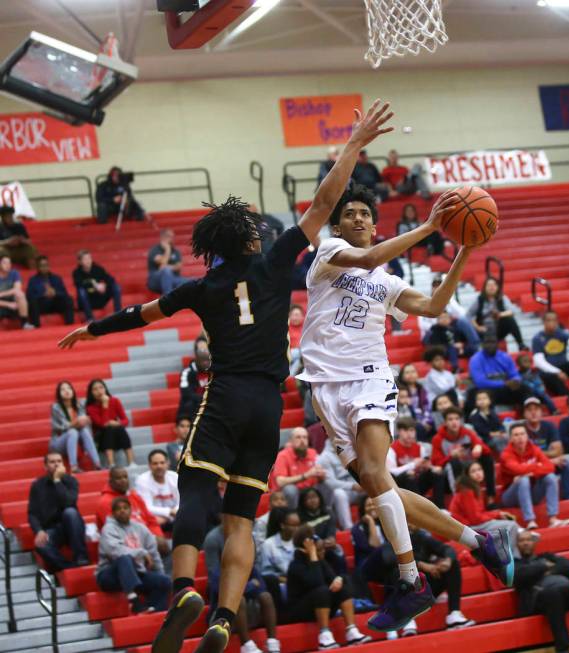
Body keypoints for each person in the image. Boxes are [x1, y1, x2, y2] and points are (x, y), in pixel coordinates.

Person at [58, 99, 397, 653]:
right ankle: (223, 617)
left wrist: (90, 331)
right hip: (269, 404)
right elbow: (325, 201)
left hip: (226, 395)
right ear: (245, 239)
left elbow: (136, 316)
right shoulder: (276, 261)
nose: (263, 232)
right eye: (256, 229)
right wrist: (355, 145)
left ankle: (185, 590)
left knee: (195, 488)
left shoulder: (200, 288)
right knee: (241, 517)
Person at [296, 180, 514, 633]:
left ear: (375, 225)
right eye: (350, 213)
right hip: (325, 389)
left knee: (377, 478)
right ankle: (481, 539)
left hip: (370, 378)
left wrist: (466, 249)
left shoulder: (388, 283)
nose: (358, 219)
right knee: (381, 491)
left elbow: (434, 305)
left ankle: (412, 582)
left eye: (365, 214)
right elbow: (369, 258)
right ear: (338, 224)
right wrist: (432, 225)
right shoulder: (329, 252)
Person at [286, 525, 371, 648]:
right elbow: (316, 582)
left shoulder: (320, 561)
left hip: (322, 604)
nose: (322, 552)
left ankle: (351, 631)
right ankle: (324, 636)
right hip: (300, 610)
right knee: (322, 591)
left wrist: (338, 580)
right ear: (307, 547)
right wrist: (313, 555)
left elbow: (333, 578)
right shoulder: (296, 565)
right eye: (318, 549)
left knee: (342, 585)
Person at [204, 522, 281, 653]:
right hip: (222, 615)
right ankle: (246, 645)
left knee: (266, 596)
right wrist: (250, 585)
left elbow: (261, 584)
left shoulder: (247, 551)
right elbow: (220, 586)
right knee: (239, 600)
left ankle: (272, 642)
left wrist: (246, 586)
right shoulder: (214, 549)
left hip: (248, 611)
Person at [97, 497, 170, 613]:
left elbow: (153, 552)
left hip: (135, 574)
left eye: (125, 508)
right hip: (109, 576)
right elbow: (114, 551)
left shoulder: (140, 528)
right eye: (118, 509)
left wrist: (159, 574)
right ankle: (133, 600)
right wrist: (141, 552)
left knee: (164, 581)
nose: (122, 511)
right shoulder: (108, 529)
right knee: (125, 558)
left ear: (131, 510)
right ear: (113, 513)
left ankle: (153, 611)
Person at [514, 530, 569, 653]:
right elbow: (520, 576)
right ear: (517, 544)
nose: (525, 543)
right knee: (553, 593)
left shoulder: (547, 556)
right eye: (521, 540)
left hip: (567, 591)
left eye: (528, 540)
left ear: (534, 542)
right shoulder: (516, 564)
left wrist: (546, 571)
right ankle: (563, 649)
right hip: (541, 597)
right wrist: (545, 566)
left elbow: (568, 566)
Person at [500, 423, 569, 530]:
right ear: (511, 439)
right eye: (516, 435)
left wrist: (531, 471)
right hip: (510, 496)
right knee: (523, 480)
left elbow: (550, 467)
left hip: (531, 492)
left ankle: (553, 519)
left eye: (522, 434)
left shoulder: (534, 448)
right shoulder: (506, 454)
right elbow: (518, 469)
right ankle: (530, 521)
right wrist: (537, 466)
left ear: (527, 436)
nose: (520, 437)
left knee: (550, 477)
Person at [28, 451, 89, 571]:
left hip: (72, 526)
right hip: (52, 529)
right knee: (42, 545)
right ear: (45, 466)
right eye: (52, 462)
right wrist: (39, 531)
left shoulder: (71, 481)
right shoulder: (37, 485)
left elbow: (68, 503)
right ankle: (68, 568)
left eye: (59, 461)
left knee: (70, 512)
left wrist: (57, 481)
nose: (56, 464)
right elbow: (32, 513)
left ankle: (81, 558)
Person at [96, 466, 170, 557]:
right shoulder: (105, 502)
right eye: (119, 478)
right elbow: (117, 531)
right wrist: (149, 541)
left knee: (169, 544)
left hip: (144, 537)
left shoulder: (134, 495)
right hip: (123, 545)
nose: (123, 480)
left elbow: (151, 521)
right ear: (111, 481)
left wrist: (158, 535)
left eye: (125, 477)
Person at [449, 462, 521, 556]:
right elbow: (476, 519)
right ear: (467, 475)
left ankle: (509, 556)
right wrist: (497, 514)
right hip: (466, 528)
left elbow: (480, 513)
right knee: (511, 526)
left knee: (508, 526)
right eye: (473, 471)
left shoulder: (475, 488)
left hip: (471, 525)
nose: (478, 473)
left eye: (479, 469)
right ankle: (511, 558)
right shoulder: (467, 491)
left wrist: (498, 514)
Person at [431, 407, 496, 503]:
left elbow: (487, 450)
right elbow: (437, 464)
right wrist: (451, 456)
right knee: (454, 462)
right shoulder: (438, 439)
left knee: (487, 459)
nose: (454, 422)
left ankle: (490, 498)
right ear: (445, 422)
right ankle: (458, 500)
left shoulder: (467, 433)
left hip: (468, 470)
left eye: (457, 419)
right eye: (450, 419)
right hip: (449, 476)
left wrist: (479, 447)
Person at [523, 397, 569, 500]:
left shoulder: (549, 426)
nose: (533, 413)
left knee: (565, 464)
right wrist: (548, 454)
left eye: (536, 409)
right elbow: (523, 455)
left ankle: (568, 498)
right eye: (529, 410)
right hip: (529, 466)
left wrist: (536, 454)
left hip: (546, 463)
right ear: (524, 414)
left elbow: (558, 450)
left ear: (541, 412)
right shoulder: (520, 428)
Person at [388, 417, 445, 508]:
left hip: (417, 483)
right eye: (405, 430)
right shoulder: (392, 449)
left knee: (437, 474)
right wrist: (412, 465)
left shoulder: (420, 448)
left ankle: (441, 508)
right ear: (399, 431)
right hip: (401, 485)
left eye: (411, 430)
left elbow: (423, 468)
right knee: (409, 476)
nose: (409, 434)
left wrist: (430, 467)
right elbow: (392, 471)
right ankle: (418, 508)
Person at [418, 274, 480, 353]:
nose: (437, 288)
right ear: (432, 288)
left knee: (463, 321)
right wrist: (441, 323)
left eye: (440, 286)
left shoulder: (449, 301)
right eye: (435, 286)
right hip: (433, 334)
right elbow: (423, 325)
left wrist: (449, 302)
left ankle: (476, 346)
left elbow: (463, 314)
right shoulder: (426, 302)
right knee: (435, 332)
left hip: (448, 331)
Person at [468, 334, 530, 411]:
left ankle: (526, 412)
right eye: (487, 342)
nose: (490, 345)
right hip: (486, 389)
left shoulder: (505, 356)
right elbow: (480, 382)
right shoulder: (475, 359)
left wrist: (516, 380)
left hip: (504, 388)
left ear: (497, 344)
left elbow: (514, 374)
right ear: (483, 344)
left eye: (493, 342)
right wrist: (504, 383)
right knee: (476, 395)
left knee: (524, 388)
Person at [270, 427, 328, 508]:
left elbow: (321, 477)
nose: (302, 440)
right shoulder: (282, 455)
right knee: (290, 490)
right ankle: (292, 517)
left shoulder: (313, 453)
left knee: (326, 484)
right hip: (288, 493)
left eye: (305, 437)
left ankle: (326, 512)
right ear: (291, 441)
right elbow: (280, 482)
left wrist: (322, 476)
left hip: (308, 491)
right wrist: (306, 475)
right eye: (298, 437)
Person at [50, 381, 101, 473]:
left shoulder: (80, 404)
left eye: (69, 388)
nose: (66, 391)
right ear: (59, 393)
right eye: (63, 389)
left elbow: (83, 423)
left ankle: (97, 463)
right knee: (72, 431)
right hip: (59, 442)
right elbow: (59, 427)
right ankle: (73, 466)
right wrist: (74, 423)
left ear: (73, 391)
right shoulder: (56, 407)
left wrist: (85, 421)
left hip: (77, 441)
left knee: (84, 430)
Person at [532, 310, 569, 397]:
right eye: (549, 320)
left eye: (554, 320)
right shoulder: (537, 339)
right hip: (548, 372)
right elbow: (539, 362)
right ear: (543, 322)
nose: (552, 323)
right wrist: (557, 372)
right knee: (550, 376)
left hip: (564, 368)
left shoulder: (562, 333)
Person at [85, 378, 135, 468]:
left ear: (105, 389)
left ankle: (131, 463)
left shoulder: (115, 401)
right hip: (100, 438)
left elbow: (125, 420)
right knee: (109, 429)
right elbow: (103, 424)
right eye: (95, 389)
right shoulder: (90, 408)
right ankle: (111, 464)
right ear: (91, 393)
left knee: (119, 427)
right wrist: (105, 405)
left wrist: (118, 423)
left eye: (101, 387)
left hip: (116, 434)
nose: (99, 391)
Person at [317, 439, 365, 530]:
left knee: (372, 487)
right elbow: (331, 483)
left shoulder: (350, 449)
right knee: (339, 493)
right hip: (338, 493)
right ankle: (348, 528)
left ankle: (374, 522)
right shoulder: (324, 457)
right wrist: (353, 486)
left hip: (356, 486)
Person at [297, 487, 347, 576]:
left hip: (326, 545)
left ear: (320, 498)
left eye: (315, 497)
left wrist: (331, 538)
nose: (313, 500)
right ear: (303, 502)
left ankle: (343, 578)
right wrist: (317, 541)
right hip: (310, 547)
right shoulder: (300, 517)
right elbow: (305, 535)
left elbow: (331, 530)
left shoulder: (328, 512)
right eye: (308, 498)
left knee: (338, 552)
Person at [467, 277, 527, 350]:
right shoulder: (479, 300)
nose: (492, 287)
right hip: (484, 330)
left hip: (498, 329)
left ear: (497, 287)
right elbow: (468, 315)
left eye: (494, 285)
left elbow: (513, 311)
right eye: (489, 285)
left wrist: (500, 314)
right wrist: (478, 327)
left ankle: (521, 344)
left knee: (510, 319)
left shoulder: (502, 298)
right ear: (485, 288)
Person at [135, 450, 180, 534]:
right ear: (149, 465)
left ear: (168, 463)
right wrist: (170, 512)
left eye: (162, 463)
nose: (159, 466)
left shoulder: (175, 477)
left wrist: (169, 515)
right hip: (155, 520)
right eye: (155, 463)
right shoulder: (142, 480)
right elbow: (146, 507)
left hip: (175, 517)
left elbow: (182, 502)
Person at [73, 250, 122, 322]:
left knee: (116, 287)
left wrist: (104, 285)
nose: (88, 261)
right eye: (85, 259)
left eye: (89, 258)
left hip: (100, 297)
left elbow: (110, 279)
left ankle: (118, 315)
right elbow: (79, 284)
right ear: (80, 261)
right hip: (88, 300)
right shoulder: (76, 273)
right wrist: (95, 286)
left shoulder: (98, 269)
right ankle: (90, 318)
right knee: (81, 291)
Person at [26, 255, 75, 328]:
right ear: (38, 267)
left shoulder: (56, 278)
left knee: (68, 299)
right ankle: (36, 327)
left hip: (55, 303)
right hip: (42, 304)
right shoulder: (33, 280)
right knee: (33, 303)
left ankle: (70, 325)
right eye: (42, 265)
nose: (44, 267)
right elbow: (29, 296)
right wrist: (43, 294)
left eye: (46, 265)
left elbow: (64, 293)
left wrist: (55, 293)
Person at [147, 229, 189, 295]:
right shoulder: (155, 250)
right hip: (155, 280)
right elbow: (163, 262)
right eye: (169, 236)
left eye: (173, 237)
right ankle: (167, 300)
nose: (172, 239)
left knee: (192, 282)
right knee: (166, 271)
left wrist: (167, 267)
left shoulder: (176, 251)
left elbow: (178, 267)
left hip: (173, 278)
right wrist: (167, 249)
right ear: (162, 237)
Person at [468, 389, 508, 454]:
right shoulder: (475, 415)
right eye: (479, 399)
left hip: (497, 434)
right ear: (476, 402)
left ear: (489, 400)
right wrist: (494, 434)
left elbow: (500, 424)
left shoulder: (492, 412)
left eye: (484, 398)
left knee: (508, 436)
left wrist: (502, 431)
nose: (482, 401)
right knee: (498, 440)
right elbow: (481, 430)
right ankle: (504, 457)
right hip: (486, 439)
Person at [397, 363, 433, 435]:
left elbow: (426, 407)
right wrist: (422, 423)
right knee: (419, 427)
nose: (411, 374)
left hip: (424, 419)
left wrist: (427, 421)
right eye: (407, 372)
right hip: (410, 419)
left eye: (413, 372)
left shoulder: (422, 389)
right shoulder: (401, 391)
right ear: (402, 376)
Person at [177, 347, 211, 420]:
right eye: (203, 360)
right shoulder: (187, 372)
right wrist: (204, 398)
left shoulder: (213, 370)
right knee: (189, 403)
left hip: (210, 403)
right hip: (194, 405)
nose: (206, 363)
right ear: (196, 360)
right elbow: (186, 393)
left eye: (208, 360)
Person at [0, 254, 33, 328]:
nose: (8, 265)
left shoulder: (14, 273)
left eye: (9, 263)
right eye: (5, 263)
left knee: (20, 294)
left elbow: (17, 289)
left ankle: (24, 323)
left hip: (13, 301)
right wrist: (8, 304)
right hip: (3, 303)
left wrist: (2, 294)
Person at [288, 304, 305, 376]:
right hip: (289, 354)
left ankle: (289, 377)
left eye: (297, 315)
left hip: (304, 354)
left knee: (299, 359)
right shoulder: (286, 327)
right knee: (298, 356)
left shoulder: (307, 326)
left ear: (302, 316)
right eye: (292, 315)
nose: (294, 318)